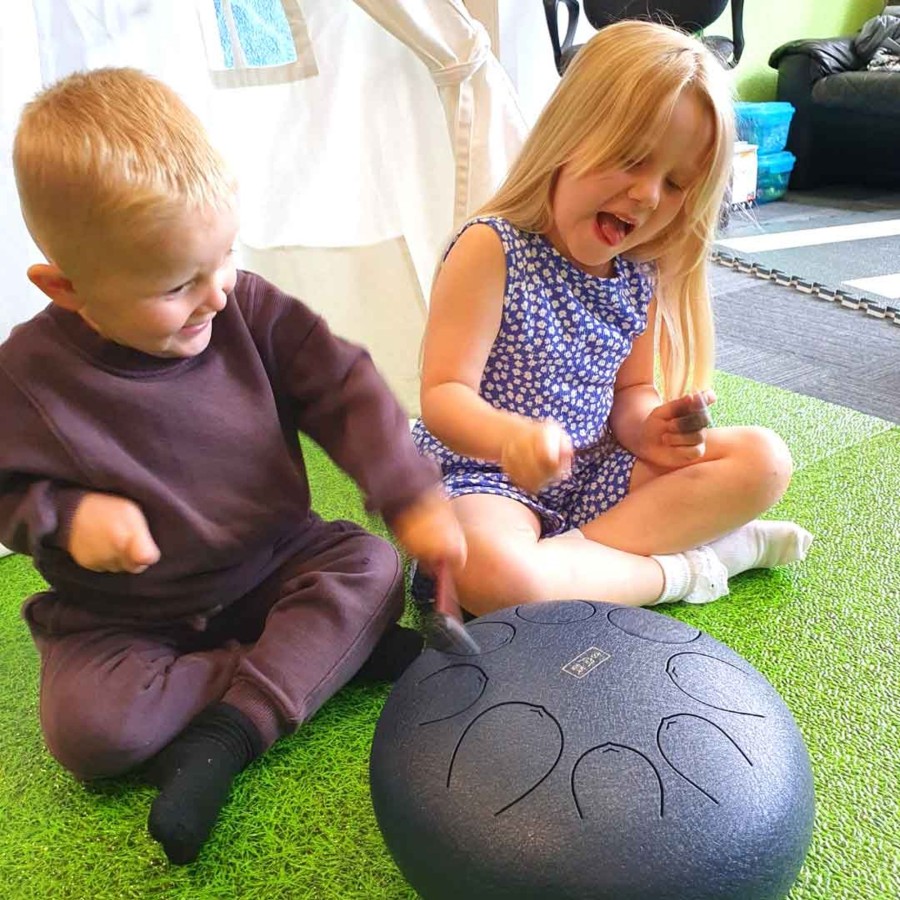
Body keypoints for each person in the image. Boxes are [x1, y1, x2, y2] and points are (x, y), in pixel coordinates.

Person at [0, 67, 465, 865]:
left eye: (224, 259)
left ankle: (232, 729)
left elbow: (345, 387)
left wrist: (409, 491)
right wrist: (68, 520)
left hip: (277, 560)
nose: (216, 296)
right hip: (126, 617)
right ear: (67, 288)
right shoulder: (24, 377)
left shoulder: (245, 306)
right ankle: (311, 663)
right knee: (89, 733)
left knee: (372, 566)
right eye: (179, 284)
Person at [412, 20, 812, 616]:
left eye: (675, 183)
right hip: (489, 479)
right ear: (568, 135)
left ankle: (563, 573)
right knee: (496, 575)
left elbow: (632, 392)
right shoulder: (491, 247)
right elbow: (443, 395)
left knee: (764, 459)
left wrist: (650, 428)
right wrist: (512, 437)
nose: (648, 195)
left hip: (597, 474)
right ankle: (694, 565)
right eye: (632, 159)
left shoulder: (638, 272)